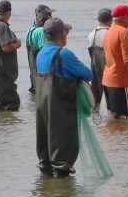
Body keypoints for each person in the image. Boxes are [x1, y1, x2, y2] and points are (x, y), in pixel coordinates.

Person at [35, 17, 92, 176]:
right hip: (61, 108)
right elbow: (88, 74)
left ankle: (48, 190)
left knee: (46, 152)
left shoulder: (40, 53)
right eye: (66, 32)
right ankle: (63, 195)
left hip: (43, 108)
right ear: (61, 34)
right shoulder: (64, 55)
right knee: (62, 157)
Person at [102, 4, 128, 119]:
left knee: (115, 117)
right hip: (122, 82)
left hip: (108, 79)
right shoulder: (124, 33)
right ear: (123, 18)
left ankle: (114, 137)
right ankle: (124, 138)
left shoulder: (109, 32)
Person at [25, 5, 54, 93]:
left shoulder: (30, 30)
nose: (52, 17)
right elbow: (45, 54)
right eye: (49, 15)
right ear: (45, 16)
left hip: (34, 76)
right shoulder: (41, 31)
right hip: (42, 76)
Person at [87, 8, 112, 109]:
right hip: (108, 68)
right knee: (109, 98)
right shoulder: (111, 33)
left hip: (95, 68)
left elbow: (90, 52)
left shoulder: (92, 33)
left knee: (97, 96)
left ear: (98, 19)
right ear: (111, 19)